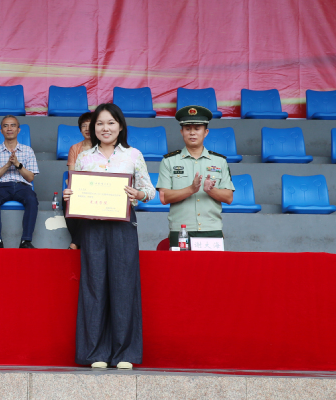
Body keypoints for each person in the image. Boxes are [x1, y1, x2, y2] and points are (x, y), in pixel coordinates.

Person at [62, 103, 155, 370]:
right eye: (100, 123)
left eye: (111, 123)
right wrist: (70, 195)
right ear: (93, 128)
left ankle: (124, 353)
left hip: (123, 226)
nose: (105, 128)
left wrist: (138, 194)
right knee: (94, 286)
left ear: (120, 126)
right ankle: (95, 353)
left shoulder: (133, 155)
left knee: (124, 286)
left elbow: (149, 191)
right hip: (92, 227)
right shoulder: (84, 157)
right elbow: (76, 190)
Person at [157, 105, 234, 247]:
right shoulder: (169, 161)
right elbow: (164, 197)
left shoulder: (220, 161)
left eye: (197, 128)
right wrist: (191, 189)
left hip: (212, 229)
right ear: (181, 132)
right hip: (181, 230)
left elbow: (229, 197)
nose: (192, 133)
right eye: (187, 129)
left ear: (206, 132)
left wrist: (211, 190)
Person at [0, 115, 39, 248]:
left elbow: (30, 178)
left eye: (13, 125)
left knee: (32, 199)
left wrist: (18, 164)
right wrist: (8, 165)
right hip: (1, 186)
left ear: (18, 130)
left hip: (22, 186)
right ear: (1, 130)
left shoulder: (28, 151)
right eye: (5, 126)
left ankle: (26, 241)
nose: (9, 128)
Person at [65, 112, 93, 250]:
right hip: (80, 186)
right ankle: (78, 241)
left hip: (97, 187)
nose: (87, 129)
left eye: (90, 125)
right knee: (67, 199)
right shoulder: (75, 148)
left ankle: (75, 243)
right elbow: (72, 174)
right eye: (83, 126)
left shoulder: (103, 147)